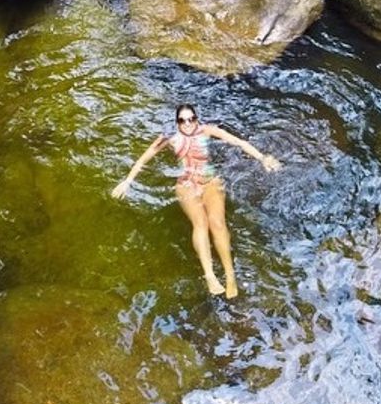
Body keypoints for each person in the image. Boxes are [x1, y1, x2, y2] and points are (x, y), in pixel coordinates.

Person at [111, 104, 281, 298]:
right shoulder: (170, 138)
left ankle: (229, 274)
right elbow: (144, 159)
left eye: (191, 119)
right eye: (183, 120)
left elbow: (239, 142)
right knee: (200, 223)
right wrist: (127, 181)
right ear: (177, 123)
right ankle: (209, 275)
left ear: (196, 119)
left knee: (217, 223)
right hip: (186, 184)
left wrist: (262, 158)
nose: (188, 123)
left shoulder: (206, 131)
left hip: (210, 182)